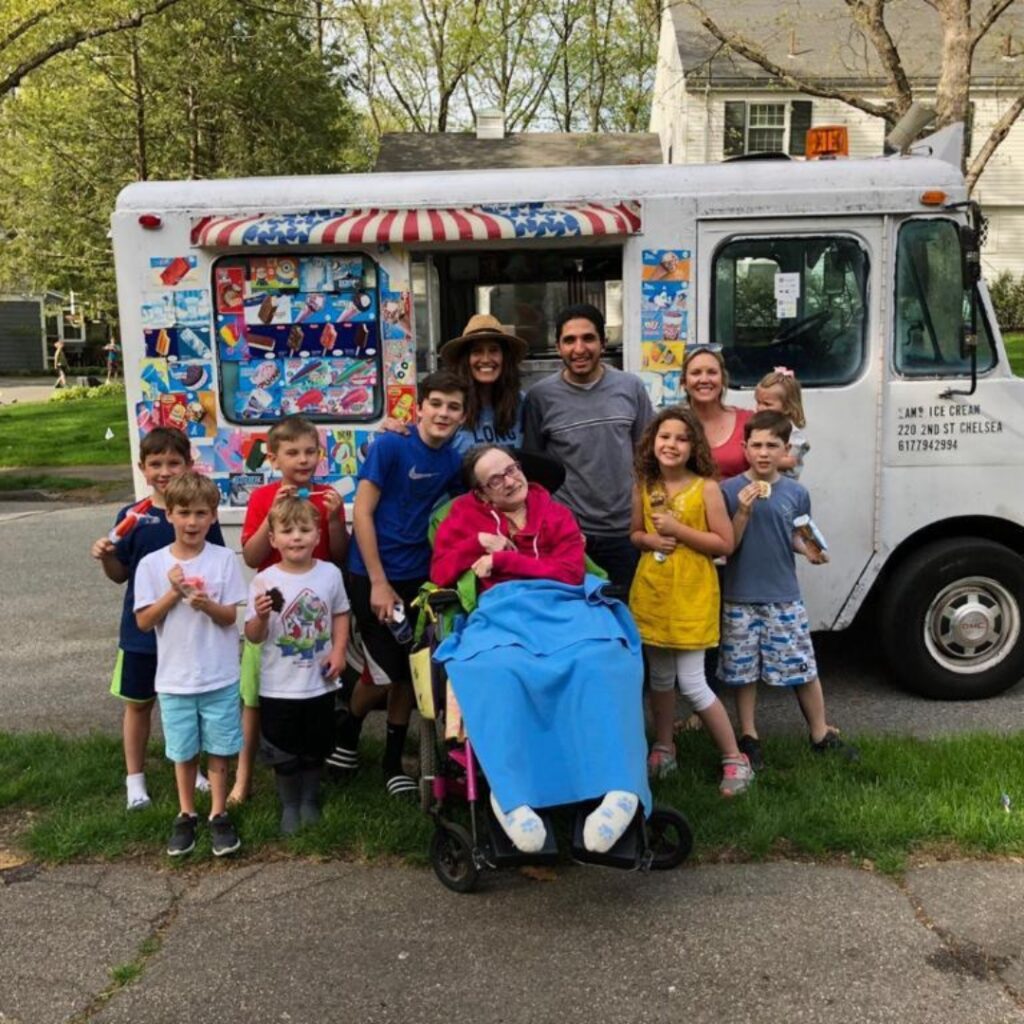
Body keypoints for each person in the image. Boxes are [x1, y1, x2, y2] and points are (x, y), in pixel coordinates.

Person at [432, 445, 651, 855]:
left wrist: (502, 562)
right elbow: (441, 571)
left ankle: (619, 789)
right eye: (495, 479)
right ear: (481, 494)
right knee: (497, 670)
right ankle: (512, 796)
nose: (510, 480)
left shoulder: (554, 512)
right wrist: (475, 545)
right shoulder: (462, 516)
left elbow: (570, 570)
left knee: (606, 659)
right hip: (504, 613)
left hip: (566, 606)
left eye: (512, 469)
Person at [332, 370, 467, 797]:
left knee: (412, 672)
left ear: (463, 416)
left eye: (454, 407)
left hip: (418, 579)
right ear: (420, 406)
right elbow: (364, 513)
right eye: (437, 404)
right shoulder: (391, 445)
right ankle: (348, 730)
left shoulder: (452, 461)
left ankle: (392, 761)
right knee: (386, 674)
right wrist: (377, 582)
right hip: (372, 575)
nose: (444, 413)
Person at [90, 427, 226, 811]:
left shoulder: (201, 515)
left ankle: (192, 768)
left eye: (173, 462)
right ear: (142, 469)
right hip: (142, 633)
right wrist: (107, 556)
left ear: (188, 465)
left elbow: (214, 566)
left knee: (188, 700)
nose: (164, 471)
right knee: (138, 704)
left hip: (189, 634)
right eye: (155, 464)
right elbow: (120, 576)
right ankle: (135, 779)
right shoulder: (131, 517)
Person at [717, 411, 857, 769]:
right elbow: (725, 545)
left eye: (772, 446)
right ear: (744, 448)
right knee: (742, 672)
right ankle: (749, 735)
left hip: (783, 594)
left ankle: (820, 732)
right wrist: (743, 511)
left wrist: (810, 549)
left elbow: (796, 531)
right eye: (757, 445)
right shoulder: (728, 491)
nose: (764, 453)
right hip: (740, 596)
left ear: (784, 451)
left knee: (802, 665)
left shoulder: (795, 492)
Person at [629, 408, 753, 796]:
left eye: (682, 438)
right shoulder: (644, 485)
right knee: (660, 678)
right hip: (652, 592)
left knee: (694, 683)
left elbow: (724, 543)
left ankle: (735, 758)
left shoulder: (707, 488)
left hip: (691, 594)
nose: (671, 444)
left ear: (693, 446)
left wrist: (679, 530)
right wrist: (650, 540)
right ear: (652, 442)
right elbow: (634, 533)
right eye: (664, 436)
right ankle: (664, 747)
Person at [134, 472, 247, 857]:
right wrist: (174, 592)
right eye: (184, 512)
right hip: (175, 678)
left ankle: (217, 813)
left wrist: (205, 605)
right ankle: (186, 813)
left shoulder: (223, 560)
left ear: (214, 516)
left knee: (219, 747)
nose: (192, 522)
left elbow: (230, 616)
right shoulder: (152, 564)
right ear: (169, 515)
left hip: (219, 674)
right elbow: (144, 621)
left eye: (201, 513)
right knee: (183, 751)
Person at [237, 415, 347, 804]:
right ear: (273, 458)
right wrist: (271, 518)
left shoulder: (327, 494)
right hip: (274, 611)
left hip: (317, 605)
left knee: (315, 694)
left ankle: (313, 771)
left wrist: (334, 519)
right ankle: (248, 775)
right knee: (260, 696)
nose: (303, 460)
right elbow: (252, 557)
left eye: (310, 452)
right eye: (292, 453)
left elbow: (339, 555)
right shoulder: (263, 497)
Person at [523, 303, 653, 589]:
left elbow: (648, 457)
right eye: (569, 340)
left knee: (625, 616)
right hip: (568, 534)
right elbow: (534, 474)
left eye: (588, 338)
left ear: (603, 343)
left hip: (625, 532)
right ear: (558, 347)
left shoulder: (630, 388)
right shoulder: (540, 397)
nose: (579, 348)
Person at [244, 497, 350, 835]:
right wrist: (260, 617)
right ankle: (290, 803)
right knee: (282, 748)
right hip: (278, 684)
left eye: (304, 530)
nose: (296, 537)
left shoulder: (330, 573)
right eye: (287, 531)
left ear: (318, 536)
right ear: (273, 539)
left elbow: (340, 613)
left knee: (315, 745)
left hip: (319, 681)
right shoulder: (264, 581)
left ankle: (309, 799)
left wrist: (339, 650)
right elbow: (254, 636)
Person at [378, 313, 528, 455]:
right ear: (465, 360)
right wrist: (395, 431)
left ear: (505, 358)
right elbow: (418, 444)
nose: (486, 359)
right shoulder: (448, 405)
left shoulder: (522, 403)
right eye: (477, 351)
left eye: (494, 350)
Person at [682, 347, 753, 478]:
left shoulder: (748, 421)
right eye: (696, 373)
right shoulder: (671, 424)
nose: (704, 379)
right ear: (684, 382)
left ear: (723, 380)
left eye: (712, 372)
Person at [754, 368, 809, 479]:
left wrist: (755, 460)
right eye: (758, 402)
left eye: (767, 404)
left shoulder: (793, 433)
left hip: (785, 485)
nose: (760, 408)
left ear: (787, 407)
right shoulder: (760, 426)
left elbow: (790, 462)